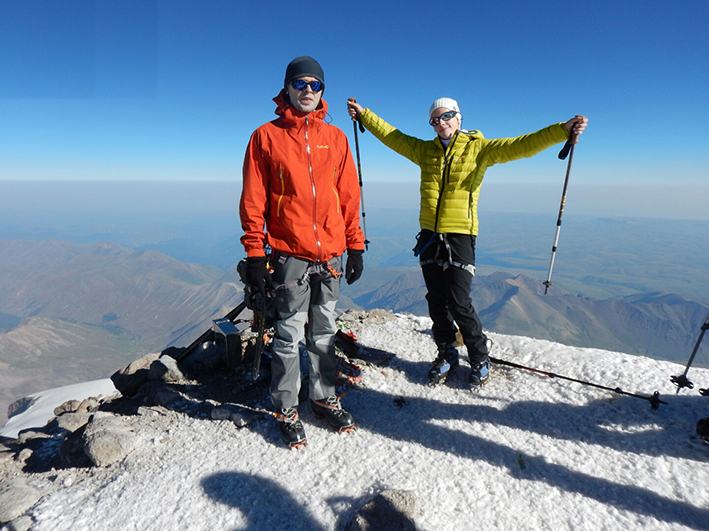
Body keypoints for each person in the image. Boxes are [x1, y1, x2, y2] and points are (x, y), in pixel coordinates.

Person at [347, 97, 587, 390]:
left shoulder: (479, 149)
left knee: (459, 302)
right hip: (429, 236)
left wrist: (562, 130)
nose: (441, 122)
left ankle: (480, 357)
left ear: (459, 117)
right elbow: (393, 136)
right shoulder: (425, 151)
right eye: (435, 119)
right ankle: (447, 353)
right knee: (436, 301)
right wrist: (365, 115)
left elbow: (521, 145)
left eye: (446, 115)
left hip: (461, 235)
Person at [240, 56, 365, 448]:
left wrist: (355, 245)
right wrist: (256, 255)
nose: (308, 90)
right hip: (288, 256)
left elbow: (348, 196)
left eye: (315, 85)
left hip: (330, 256)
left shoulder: (338, 138)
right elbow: (253, 200)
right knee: (288, 336)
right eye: (300, 83)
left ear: (322, 91)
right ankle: (286, 407)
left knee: (325, 331)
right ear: (287, 89)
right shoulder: (266, 137)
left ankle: (324, 399)